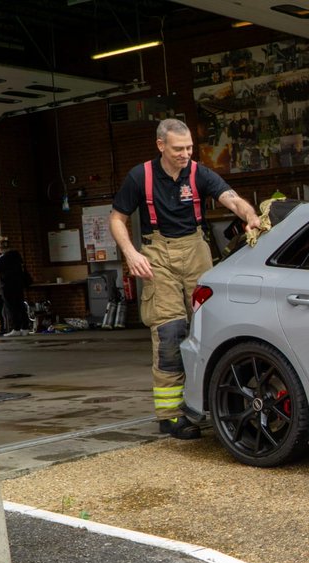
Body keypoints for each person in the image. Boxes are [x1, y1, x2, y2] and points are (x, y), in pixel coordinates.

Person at [110, 118, 262, 440]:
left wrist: (250, 216)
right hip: (157, 255)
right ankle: (170, 415)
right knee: (170, 332)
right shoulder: (141, 176)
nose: (186, 154)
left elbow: (231, 198)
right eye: (179, 149)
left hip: (195, 250)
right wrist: (131, 254)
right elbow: (117, 218)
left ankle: (212, 401)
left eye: (189, 147)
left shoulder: (199, 173)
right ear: (161, 145)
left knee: (211, 326)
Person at [0, 237, 31, 336]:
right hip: (19, 284)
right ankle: (25, 328)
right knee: (20, 305)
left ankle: (16, 328)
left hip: (7, 285)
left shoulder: (3, 257)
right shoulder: (17, 255)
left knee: (11, 307)